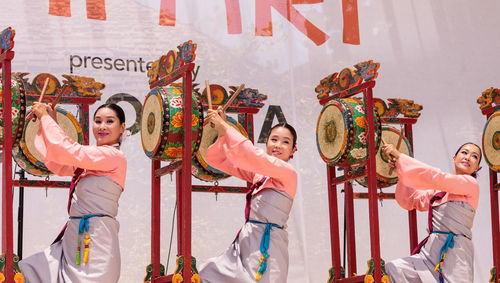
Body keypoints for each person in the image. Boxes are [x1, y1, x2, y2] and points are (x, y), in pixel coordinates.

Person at [19, 102, 127, 283]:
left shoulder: (113, 157)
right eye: (98, 121)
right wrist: (50, 122)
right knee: (25, 272)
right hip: (72, 241)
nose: (102, 126)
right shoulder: (90, 160)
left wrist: (46, 118)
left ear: (122, 127)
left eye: (109, 121)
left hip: (96, 243)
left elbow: (70, 151)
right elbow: (58, 160)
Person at [198, 107, 298, 283]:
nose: (278, 145)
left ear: (293, 150)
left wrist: (224, 124)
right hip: (246, 242)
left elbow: (252, 154)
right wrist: (222, 132)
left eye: (285, 142)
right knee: (208, 273)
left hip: (269, 247)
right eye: (274, 140)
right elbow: (228, 161)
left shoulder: (288, 173)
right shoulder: (259, 173)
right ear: (266, 143)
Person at [383, 142, 481, 283]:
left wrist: (401, 158)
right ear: (454, 158)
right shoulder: (438, 192)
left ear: (476, 167)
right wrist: (401, 169)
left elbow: (438, 178)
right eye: (464, 152)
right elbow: (410, 200)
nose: (468, 157)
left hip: (456, 257)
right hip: (429, 255)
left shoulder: (471, 185)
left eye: (474, 156)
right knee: (394, 269)